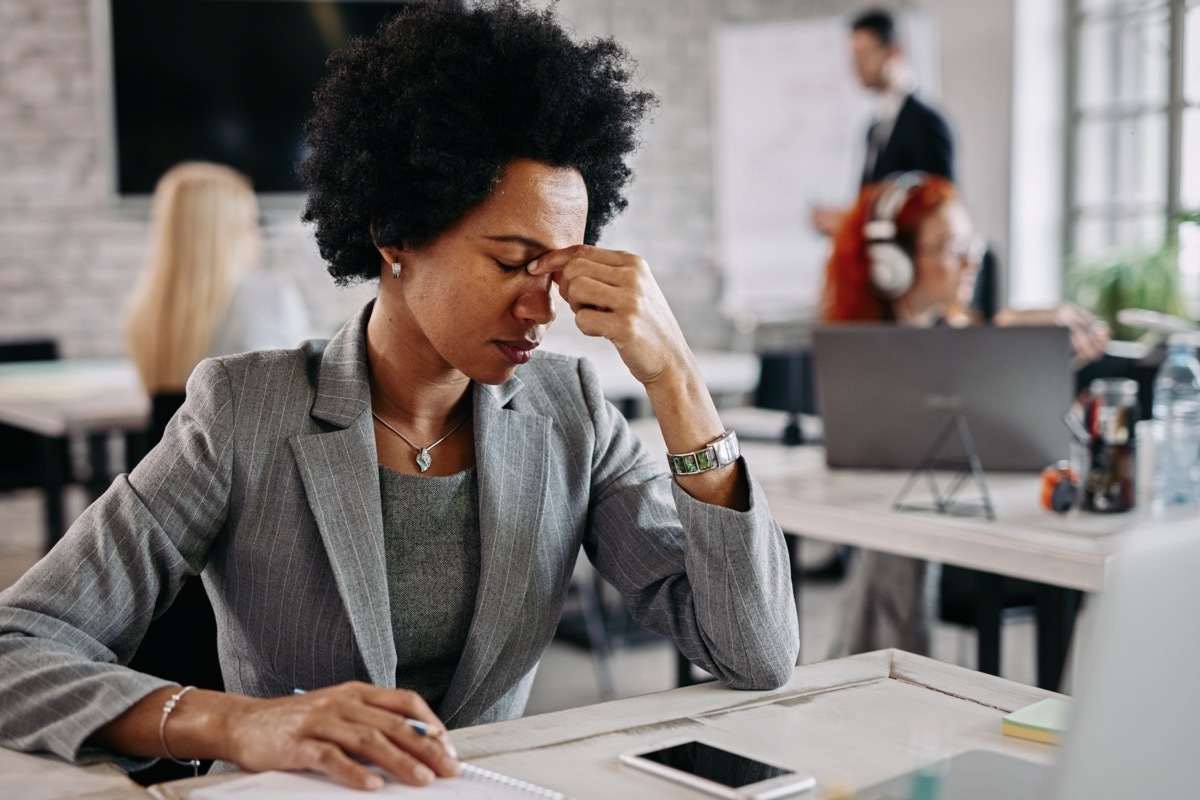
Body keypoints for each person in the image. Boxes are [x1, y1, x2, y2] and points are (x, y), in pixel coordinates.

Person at [0, 1, 799, 792]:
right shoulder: (243, 411)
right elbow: (16, 644)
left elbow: (753, 650)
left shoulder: (572, 413)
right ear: (396, 234)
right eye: (511, 261)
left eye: (558, 268)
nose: (543, 308)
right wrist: (237, 723)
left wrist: (678, 379)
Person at [820, 171, 1107, 656]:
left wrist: (1041, 366)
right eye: (951, 247)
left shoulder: (976, 335)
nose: (972, 260)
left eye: (972, 244)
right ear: (895, 263)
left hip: (992, 527)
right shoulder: (862, 358)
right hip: (935, 537)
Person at [125, 161, 314, 442]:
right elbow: (303, 396)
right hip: (249, 476)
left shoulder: (145, 312)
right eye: (251, 221)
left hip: (175, 475)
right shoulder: (269, 297)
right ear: (228, 229)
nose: (257, 233)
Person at [810, 8, 954, 238]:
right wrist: (848, 219)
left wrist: (855, 222)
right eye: (854, 56)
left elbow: (938, 208)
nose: (857, 66)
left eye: (865, 54)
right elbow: (875, 201)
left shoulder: (926, 124)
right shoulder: (874, 128)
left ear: (893, 52)